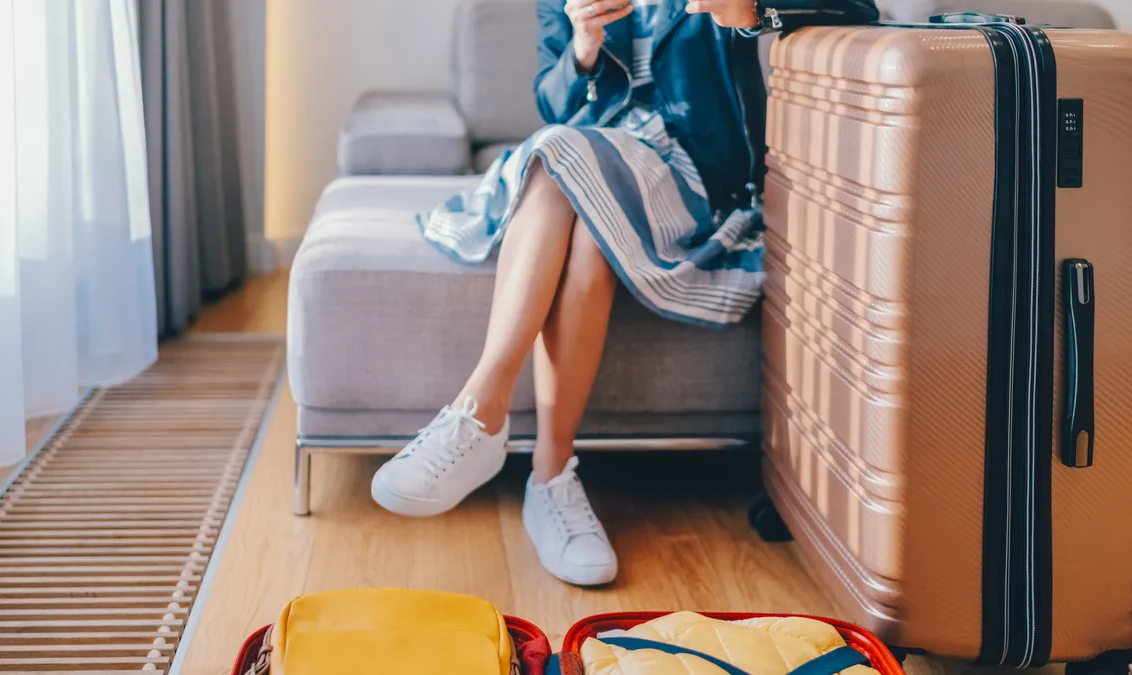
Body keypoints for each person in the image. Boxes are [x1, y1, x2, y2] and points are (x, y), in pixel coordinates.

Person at [371, 0, 878, 586]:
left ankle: (481, 412)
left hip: (690, 178)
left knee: (560, 152)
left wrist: (751, 11)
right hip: (590, 167)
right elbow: (551, 100)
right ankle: (551, 478)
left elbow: (858, 11)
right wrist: (583, 44)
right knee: (578, 196)